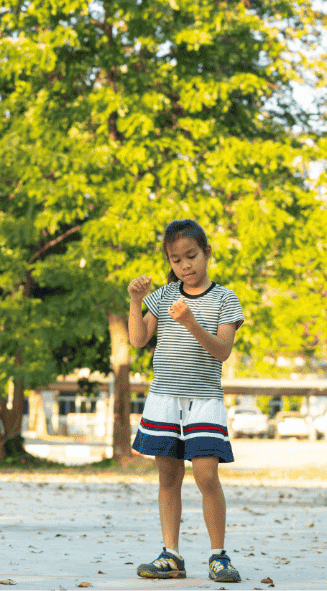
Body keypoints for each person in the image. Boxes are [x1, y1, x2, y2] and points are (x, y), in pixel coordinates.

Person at [127, 219, 245, 583]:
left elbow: (222, 351)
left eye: (191, 256)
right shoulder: (162, 296)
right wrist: (134, 300)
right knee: (168, 477)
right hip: (164, 398)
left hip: (204, 399)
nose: (185, 265)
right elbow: (138, 339)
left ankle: (218, 556)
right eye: (176, 260)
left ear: (207, 252)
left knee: (207, 475)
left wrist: (192, 323)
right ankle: (171, 555)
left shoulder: (225, 299)